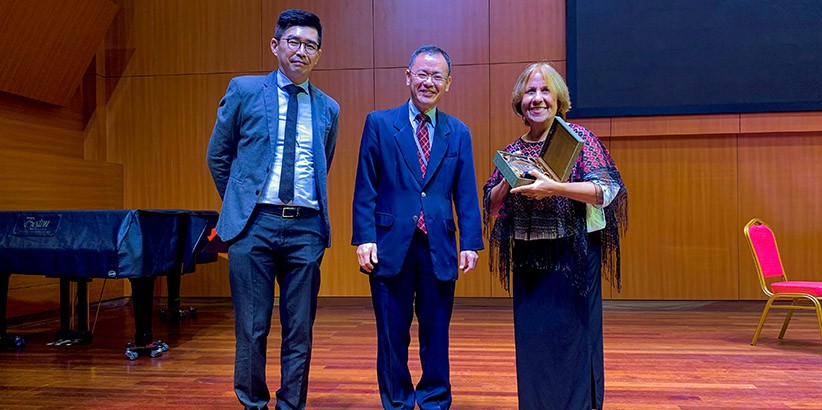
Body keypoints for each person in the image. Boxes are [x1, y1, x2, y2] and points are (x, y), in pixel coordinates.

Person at [206, 9, 339, 410]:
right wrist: (240, 207)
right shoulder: (245, 90)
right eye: (294, 42)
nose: (302, 51)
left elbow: (323, 164)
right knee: (252, 325)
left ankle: (291, 404)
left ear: (318, 53)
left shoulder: (329, 108)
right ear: (275, 45)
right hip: (254, 226)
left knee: (300, 328)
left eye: (310, 45)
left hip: (306, 228)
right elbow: (218, 156)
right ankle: (252, 402)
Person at [483, 62, 628, 410]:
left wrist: (556, 189)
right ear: (520, 101)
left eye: (545, 90)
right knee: (534, 342)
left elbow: (607, 189)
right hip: (529, 261)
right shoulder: (512, 150)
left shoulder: (577, 140)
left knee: (574, 339)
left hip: (572, 256)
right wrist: (508, 177)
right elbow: (490, 205)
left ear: (558, 97)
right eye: (530, 92)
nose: (537, 99)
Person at [351, 45, 484, 410]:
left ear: (448, 83)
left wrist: (470, 242)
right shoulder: (379, 123)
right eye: (422, 74)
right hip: (389, 243)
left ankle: (434, 399)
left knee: (436, 332)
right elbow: (366, 186)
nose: (428, 82)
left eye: (437, 76)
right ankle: (396, 400)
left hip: (438, 244)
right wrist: (363, 237)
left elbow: (466, 191)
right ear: (407, 76)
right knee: (392, 334)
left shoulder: (458, 132)